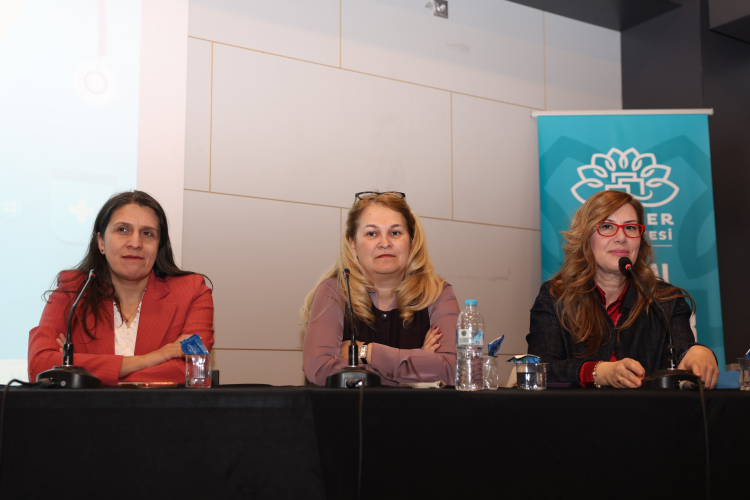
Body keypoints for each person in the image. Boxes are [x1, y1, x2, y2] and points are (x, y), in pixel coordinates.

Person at [527, 190, 718, 389]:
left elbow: (683, 350)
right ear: (585, 236)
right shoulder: (555, 297)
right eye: (607, 226)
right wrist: (600, 372)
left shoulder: (666, 300)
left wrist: (698, 353)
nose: (621, 237)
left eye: (631, 227)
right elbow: (540, 368)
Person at [28, 191, 214, 386]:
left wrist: (83, 373)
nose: (135, 243)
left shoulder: (192, 291)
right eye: (123, 230)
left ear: (159, 246)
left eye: (147, 233)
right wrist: (151, 359)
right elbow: (39, 365)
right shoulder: (72, 290)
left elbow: (194, 368)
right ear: (101, 242)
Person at [301, 191, 459, 386]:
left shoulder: (438, 293)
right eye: (372, 233)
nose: (385, 243)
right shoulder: (334, 291)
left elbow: (455, 370)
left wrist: (366, 352)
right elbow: (319, 369)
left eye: (395, 233)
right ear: (353, 244)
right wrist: (417, 366)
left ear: (411, 241)